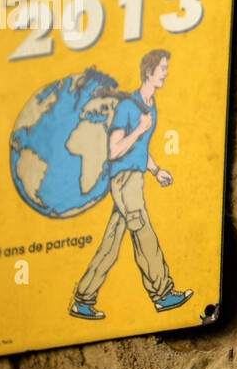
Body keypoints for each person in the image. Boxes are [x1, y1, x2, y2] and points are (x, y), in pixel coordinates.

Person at [70, 49, 192, 319]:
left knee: (112, 243)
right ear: (149, 72)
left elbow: (140, 148)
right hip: (124, 181)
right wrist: (139, 129)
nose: (166, 72)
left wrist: (156, 170)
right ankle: (162, 294)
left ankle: (83, 298)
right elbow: (114, 151)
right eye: (162, 67)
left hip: (135, 178)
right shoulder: (129, 107)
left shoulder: (149, 105)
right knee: (144, 233)